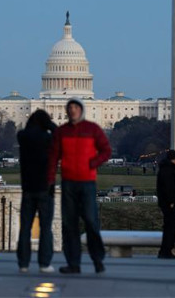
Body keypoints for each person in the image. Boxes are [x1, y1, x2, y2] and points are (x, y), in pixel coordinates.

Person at [47, 98, 111, 274]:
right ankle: (73, 263)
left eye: (76, 107)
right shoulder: (61, 131)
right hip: (68, 182)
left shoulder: (92, 129)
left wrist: (93, 163)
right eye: (70, 108)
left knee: (91, 221)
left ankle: (97, 259)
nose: (73, 110)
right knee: (69, 224)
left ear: (81, 110)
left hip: (87, 181)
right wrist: (50, 181)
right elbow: (53, 157)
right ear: (67, 111)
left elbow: (106, 150)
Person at [16, 110, 58, 273]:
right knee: (45, 227)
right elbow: (59, 136)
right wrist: (51, 125)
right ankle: (44, 263)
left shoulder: (22, 136)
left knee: (25, 227)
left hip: (28, 187)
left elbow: (23, 133)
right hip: (45, 186)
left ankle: (23, 263)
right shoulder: (48, 138)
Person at [156, 149, 175, 259]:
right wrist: (171, 201)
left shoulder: (166, 169)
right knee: (171, 227)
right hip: (169, 203)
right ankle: (166, 250)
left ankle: (165, 250)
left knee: (169, 226)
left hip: (167, 202)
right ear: (173, 159)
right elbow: (169, 187)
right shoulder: (169, 170)